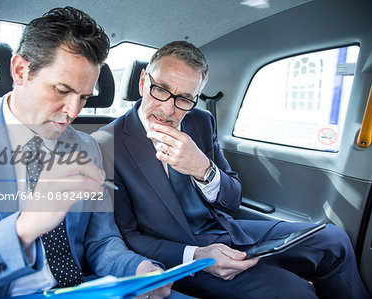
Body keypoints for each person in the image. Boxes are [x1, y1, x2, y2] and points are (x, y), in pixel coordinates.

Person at [0, 7, 172, 299]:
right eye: (61, 90)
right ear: (20, 71)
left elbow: (101, 241)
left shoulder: (85, 146)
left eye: (83, 97)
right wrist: (25, 227)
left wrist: (139, 270)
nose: (73, 111)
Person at [94, 41, 371, 299]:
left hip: (227, 231)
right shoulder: (106, 143)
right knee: (292, 291)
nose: (168, 109)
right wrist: (198, 255)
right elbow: (126, 237)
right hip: (182, 257)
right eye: (161, 90)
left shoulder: (200, 121)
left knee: (333, 241)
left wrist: (203, 168)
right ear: (144, 81)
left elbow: (233, 199)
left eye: (184, 99)